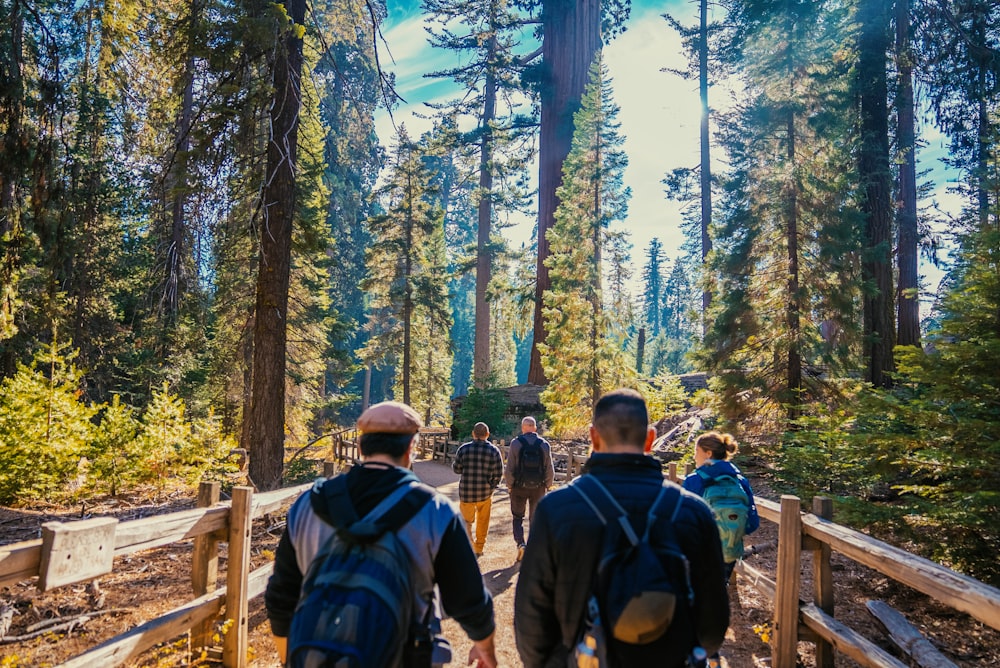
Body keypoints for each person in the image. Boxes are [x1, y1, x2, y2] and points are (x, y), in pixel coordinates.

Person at [264, 401, 498, 668]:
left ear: (361, 447)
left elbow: (281, 596)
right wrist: (485, 648)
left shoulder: (309, 505)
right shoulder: (436, 511)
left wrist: (289, 657)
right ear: (412, 447)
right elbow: (468, 599)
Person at [513, 389, 729, 668]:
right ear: (650, 438)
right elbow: (712, 626)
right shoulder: (694, 513)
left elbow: (531, 619)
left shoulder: (557, 510)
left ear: (593, 437)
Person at [682, 431, 760, 583]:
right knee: (717, 595)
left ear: (708, 453)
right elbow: (752, 522)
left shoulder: (694, 480)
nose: (694, 456)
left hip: (699, 553)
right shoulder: (740, 480)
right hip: (728, 554)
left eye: (696, 451)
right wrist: (731, 531)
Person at [505, 415, 555, 561]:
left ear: (523, 428)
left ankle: (521, 544)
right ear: (535, 427)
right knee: (535, 519)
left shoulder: (515, 443)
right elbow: (549, 468)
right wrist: (547, 485)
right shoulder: (544, 444)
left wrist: (510, 485)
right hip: (538, 488)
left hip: (519, 487)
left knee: (517, 517)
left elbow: (510, 468)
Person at [452, 421, 504, 556]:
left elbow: (456, 469)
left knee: (466, 521)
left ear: (473, 434)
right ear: (487, 434)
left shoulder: (463, 449)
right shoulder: (494, 451)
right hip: (485, 493)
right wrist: (491, 486)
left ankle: (468, 544)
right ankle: (479, 548)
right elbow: (499, 473)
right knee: (483, 521)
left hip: (466, 492)